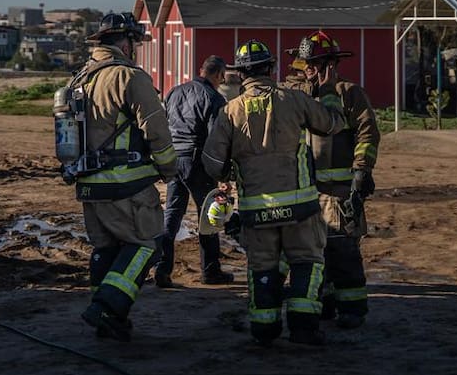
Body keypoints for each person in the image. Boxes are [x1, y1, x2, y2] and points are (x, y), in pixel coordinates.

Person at [201, 40, 344, 347]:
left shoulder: (230, 111)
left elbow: (211, 162)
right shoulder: (294, 100)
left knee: (262, 266)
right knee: (306, 262)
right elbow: (333, 124)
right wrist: (329, 90)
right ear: (271, 68)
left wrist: (228, 174)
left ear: (240, 74)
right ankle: (304, 328)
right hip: (300, 209)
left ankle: (264, 328)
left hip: (256, 212)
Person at [67, 12, 177, 342]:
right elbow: (156, 128)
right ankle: (107, 309)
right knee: (147, 245)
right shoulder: (129, 77)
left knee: (106, 248)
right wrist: (169, 168)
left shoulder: (79, 78)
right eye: (135, 44)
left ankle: (105, 315)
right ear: (126, 43)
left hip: (89, 184)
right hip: (125, 185)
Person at [290, 31, 381, 329]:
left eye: (315, 63)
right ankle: (323, 304)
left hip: (339, 193)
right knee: (312, 255)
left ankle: (352, 308)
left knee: (343, 253)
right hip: (305, 193)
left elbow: (367, 133)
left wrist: (361, 171)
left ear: (331, 64)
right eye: (306, 63)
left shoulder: (349, 93)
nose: (308, 69)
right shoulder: (297, 95)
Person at [154, 55, 234, 288]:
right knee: (208, 217)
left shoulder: (174, 92)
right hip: (197, 161)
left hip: (173, 159)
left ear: (201, 70)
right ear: (219, 75)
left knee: (172, 215)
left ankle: (162, 268)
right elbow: (215, 139)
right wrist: (222, 174)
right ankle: (210, 271)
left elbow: (164, 123)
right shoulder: (214, 98)